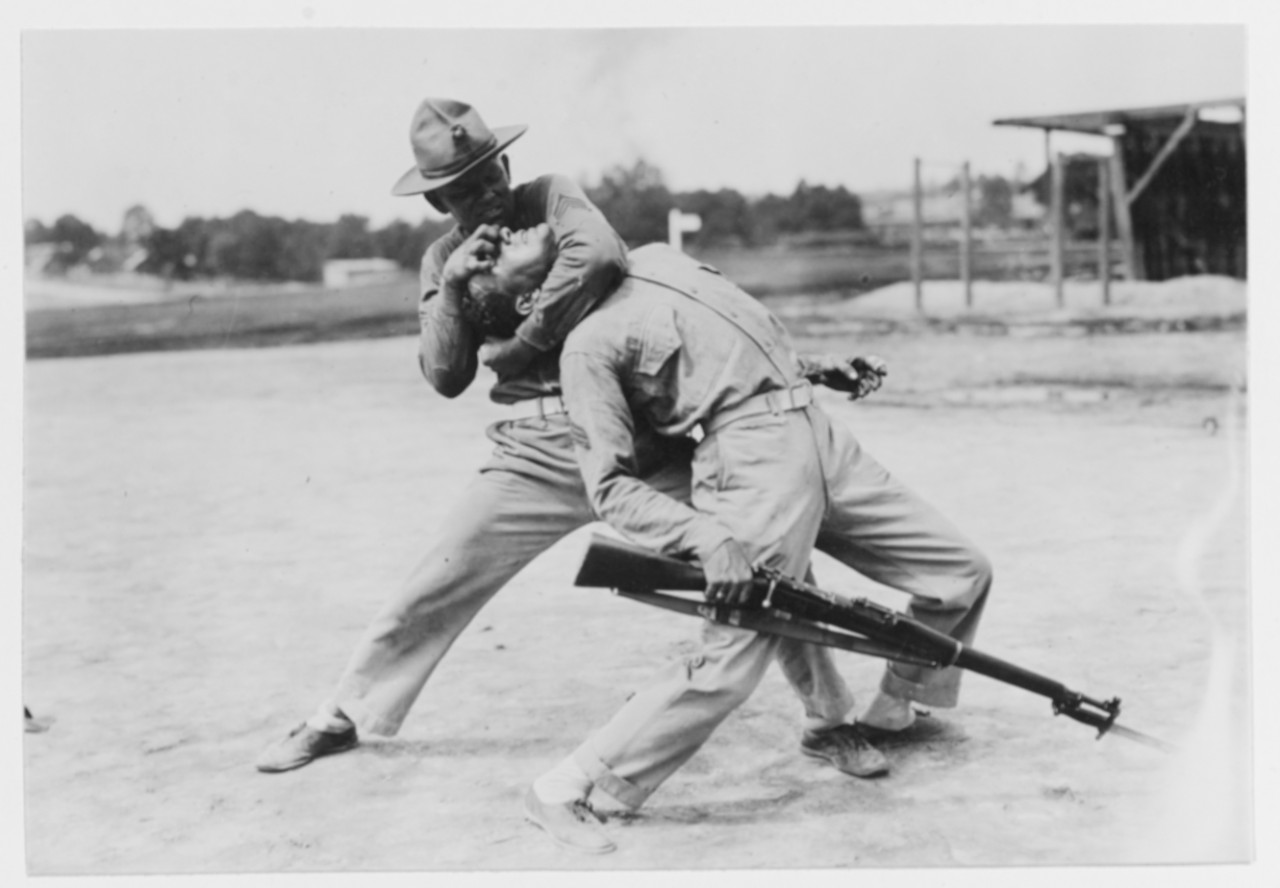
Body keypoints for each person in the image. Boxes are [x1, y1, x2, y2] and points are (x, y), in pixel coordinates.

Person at [256, 98, 889, 780]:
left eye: (490, 174)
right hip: (535, 450)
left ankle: (829, 721)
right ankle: (340, 714)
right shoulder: (444, 258)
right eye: (464, 189)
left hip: (632, 435)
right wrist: (452, 288)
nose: (488, 195)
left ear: (505, 160)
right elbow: (444, 376)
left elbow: (600, 255)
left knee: (759, 551)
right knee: (442, 570)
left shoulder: (550, 197)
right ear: (438, 199)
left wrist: (522, 340)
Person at [459, 230, 992, 854]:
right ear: (525, 302)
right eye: (493, 259)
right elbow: (607, 485)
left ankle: (894, 707)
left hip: (820, 435)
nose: (502, 237)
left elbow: (731, 349)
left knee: (961, 571)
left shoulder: (653, 259)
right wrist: (708, 539)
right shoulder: (586, 350)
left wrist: (814, 369)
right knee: (729, 665)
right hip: (750, 466)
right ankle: (565, 787)